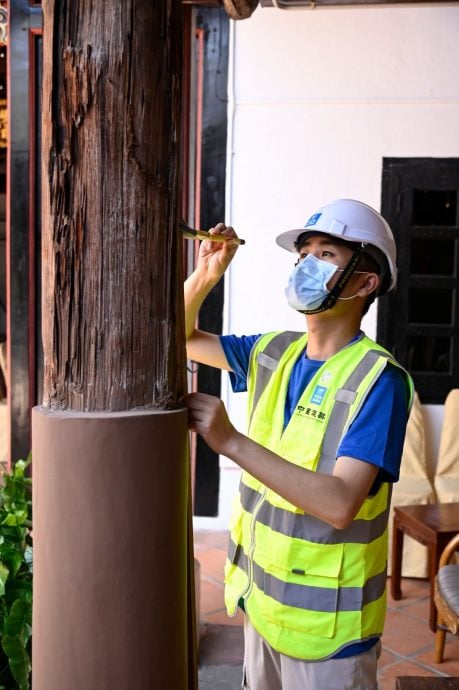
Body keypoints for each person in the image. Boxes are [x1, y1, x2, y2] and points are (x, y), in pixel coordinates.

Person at [184, 198, 414, 690]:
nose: (306, 265)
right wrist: (206, 274)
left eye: (325, 254)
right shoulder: (273, 351)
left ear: (365, 282)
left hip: (328, 631)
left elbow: (339, 503)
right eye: (303, 253)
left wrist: (230, 442)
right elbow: (176, 336)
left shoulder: (380, 379)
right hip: (261, 603)